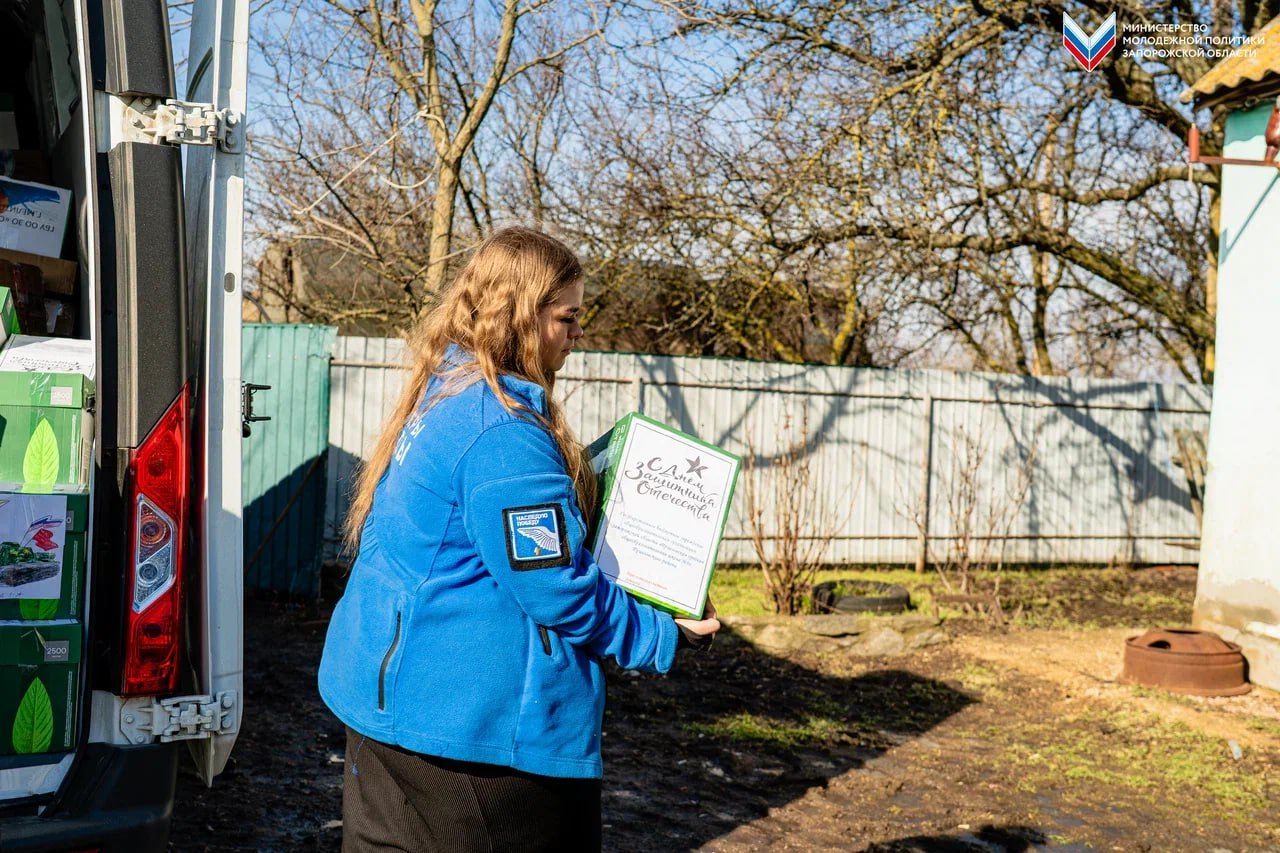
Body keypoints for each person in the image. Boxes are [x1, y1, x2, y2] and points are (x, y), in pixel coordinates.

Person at [318, 226, 720, 852]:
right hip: (475, 737)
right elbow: (556, 587)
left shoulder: (446, 392)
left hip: (391, 708)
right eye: (568, 317)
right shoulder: (502, 433)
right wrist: (660, 633)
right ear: (522, 316)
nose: (578, 332)